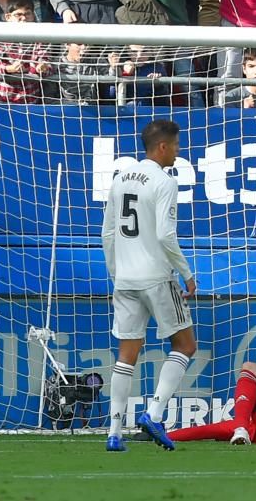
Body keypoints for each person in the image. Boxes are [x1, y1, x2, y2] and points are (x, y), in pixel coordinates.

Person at [101, 119, 197, 452]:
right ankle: (154, 413)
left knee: (126, 355)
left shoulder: (119, 178)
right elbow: (164, 235)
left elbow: (108, 233)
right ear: (162, 147)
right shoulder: (163, 181)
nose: (178, 151)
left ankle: (114, 432)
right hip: (156, 277)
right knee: (185, 346)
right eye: (176, 145)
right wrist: (185, 272)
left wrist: (116, 272)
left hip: (124, 279)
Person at [0, 0, 52, 103]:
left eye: (27, 14)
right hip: (3, 101)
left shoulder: (39, 39)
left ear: (33, 16)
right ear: (8, 17)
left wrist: (42, 67)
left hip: (31, 101)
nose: (23, 18)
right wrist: (9, 68)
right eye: (18, 14)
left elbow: (47, 63)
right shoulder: (0, 38)